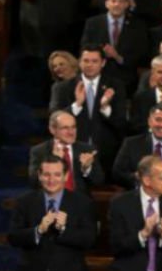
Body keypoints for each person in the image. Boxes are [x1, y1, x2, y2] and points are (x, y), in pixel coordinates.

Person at [49, 45, 128, 179]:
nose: (89, 65)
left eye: (94, 61)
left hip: (107, 154)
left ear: (103, 63)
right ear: (79, 62)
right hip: (74, 151)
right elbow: (54, 119)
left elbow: (121, 123)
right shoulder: (62, 88)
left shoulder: (116, 86)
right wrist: (77, 105)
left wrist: (105, 108)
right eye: (86, 61)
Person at [79, 0, 149, 95]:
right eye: (113, 1)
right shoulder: (93, 23)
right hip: (98, 78)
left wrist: (118, 57)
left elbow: (141, 53)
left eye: (121, 1)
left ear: (127, 4)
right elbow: (85, 47)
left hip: (128, 81)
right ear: (107, 3)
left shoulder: (138, 26)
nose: (117, 4)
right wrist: (101, 53)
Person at [28, 111, 104, 196]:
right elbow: (34, 182)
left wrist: (86, 168)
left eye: (73, 127)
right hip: (51, 199)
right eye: (65, 128)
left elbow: (99, 181)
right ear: (52, 130)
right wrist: (54, 161)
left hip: (80, 200)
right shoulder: (39, 151)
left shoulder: (87, 149)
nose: (71, 132)